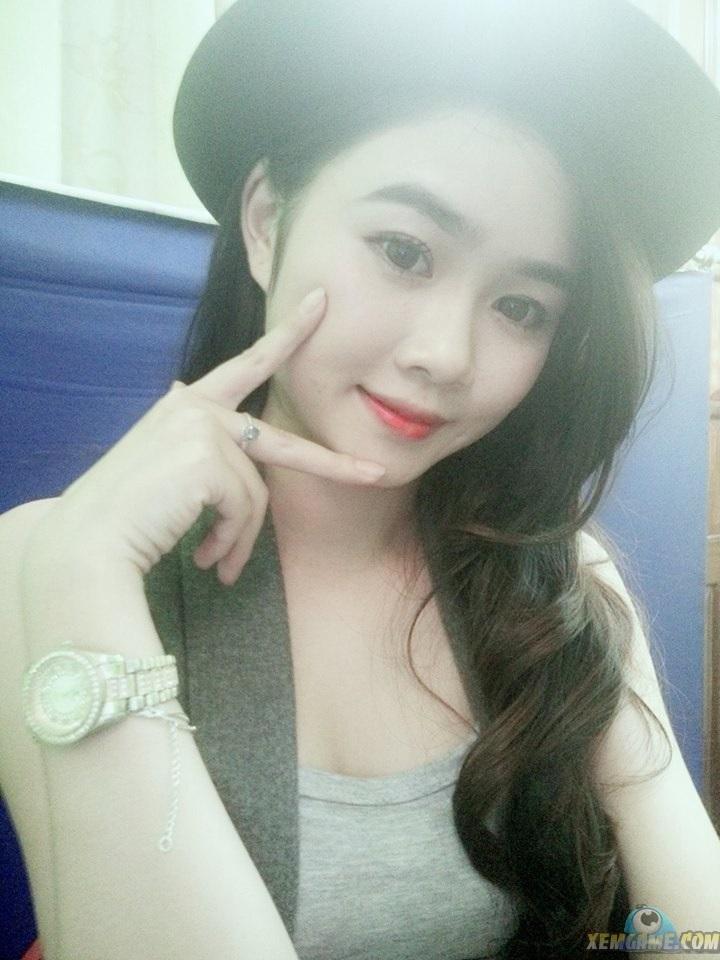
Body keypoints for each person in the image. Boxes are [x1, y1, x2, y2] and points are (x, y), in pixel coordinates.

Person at [1, 0, 720, 958]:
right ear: (267, 222)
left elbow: (694, 933)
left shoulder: (550, 578)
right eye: (404, 252)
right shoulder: (49, 566)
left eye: (520, 308)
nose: (446, 355)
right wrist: (82, 576)